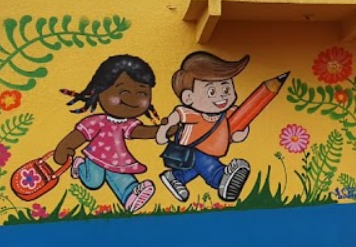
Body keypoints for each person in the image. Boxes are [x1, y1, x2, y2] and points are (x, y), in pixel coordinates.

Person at [53, 55, 162, 213]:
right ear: (100, 90)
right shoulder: (97, 121)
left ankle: (130, 195)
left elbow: (141, 132)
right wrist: (64, 148)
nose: (133, 98)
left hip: (118, 159)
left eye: (142, 93)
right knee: (94, 182)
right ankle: (80, 166)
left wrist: (163, 130)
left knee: (121, 175)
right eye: (123, 91)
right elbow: (79, 136)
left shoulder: (127, 123)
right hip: (95, 157)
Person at [157, 51, 252, 203]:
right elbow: (174, 118)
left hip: (213, 151)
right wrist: (162, 133)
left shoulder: (228, 112)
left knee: (195, 168)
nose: (221, 97)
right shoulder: (192, 113)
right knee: (206, 164)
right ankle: (221, 179)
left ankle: (175, 177)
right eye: (212, 91)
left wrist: (241, 133)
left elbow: (237, 132)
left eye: (226, 89)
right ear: (189, 97)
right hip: (191, 150)